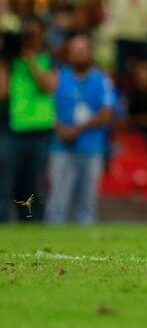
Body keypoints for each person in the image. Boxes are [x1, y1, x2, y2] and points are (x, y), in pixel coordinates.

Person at [47, 34, 114, 225]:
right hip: (61, 147)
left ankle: (87, 247)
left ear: (90, 53)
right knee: (57, 200)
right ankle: (51, 243)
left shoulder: (101, 79)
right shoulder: (58, 77)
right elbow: (46, 108)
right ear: (68, 55)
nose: (80, 54)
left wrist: (76, 129)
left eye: (83, 50)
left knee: (88, 202)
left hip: (91, 147)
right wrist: (60, 128)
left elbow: (107, 113)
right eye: (76, 51)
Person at [0, 20, 57, 222]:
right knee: (6, 183)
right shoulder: (10, 61)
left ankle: (33, 223)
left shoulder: (47, 58)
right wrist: (4, 59)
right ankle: (4, 224)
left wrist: (31, 60)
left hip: (39, 130)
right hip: (13, 129)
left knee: (34, 185)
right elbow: (3, 92)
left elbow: (49, 86)